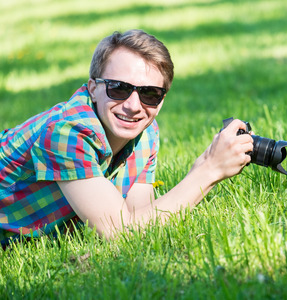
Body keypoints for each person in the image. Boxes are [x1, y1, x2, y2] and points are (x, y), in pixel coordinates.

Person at [0, 29, 253, 247]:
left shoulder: (145, 131)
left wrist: (204, 168)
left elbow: (143, 220)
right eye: (119, 88)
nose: (133, 106)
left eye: (150, 94)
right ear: (93, 89)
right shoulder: (66, 133)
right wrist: (208, 171)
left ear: (162, 100)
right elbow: (121, 232)